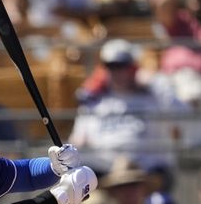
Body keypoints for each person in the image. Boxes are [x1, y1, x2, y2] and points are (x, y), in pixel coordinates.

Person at [69, 38, 182, 173]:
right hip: (103, 173)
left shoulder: (152, 98)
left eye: (123, 66)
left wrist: (153, 81)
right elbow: (77, 141)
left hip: (146, 172)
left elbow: (182, 115)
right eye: (112, 66)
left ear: (133, 67)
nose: (118, 72)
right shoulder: (93, 102)